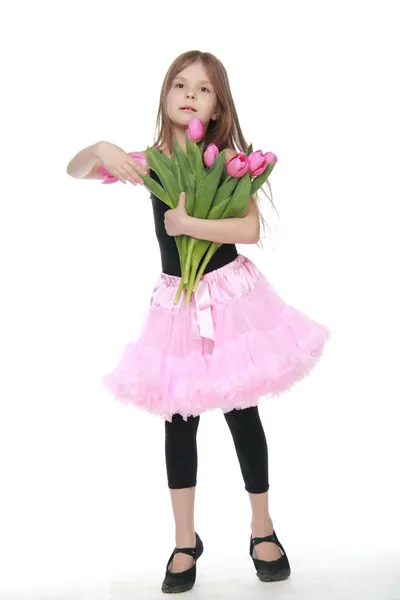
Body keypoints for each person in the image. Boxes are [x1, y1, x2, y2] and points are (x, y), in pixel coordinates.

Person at [66, 50, 331, 594]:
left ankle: (262, 527)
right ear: (165, 96)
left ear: (217, 106)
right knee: (179, 419)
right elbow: (76, 171)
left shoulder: (225, 158)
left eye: (204, 89)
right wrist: (99, 149)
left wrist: (187, 222)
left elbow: (250, 230)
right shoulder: (153, 161)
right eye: (181, 84)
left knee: (241, 409)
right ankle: (185, 539)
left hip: (230, 298)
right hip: (179, 303)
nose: (190, 93)